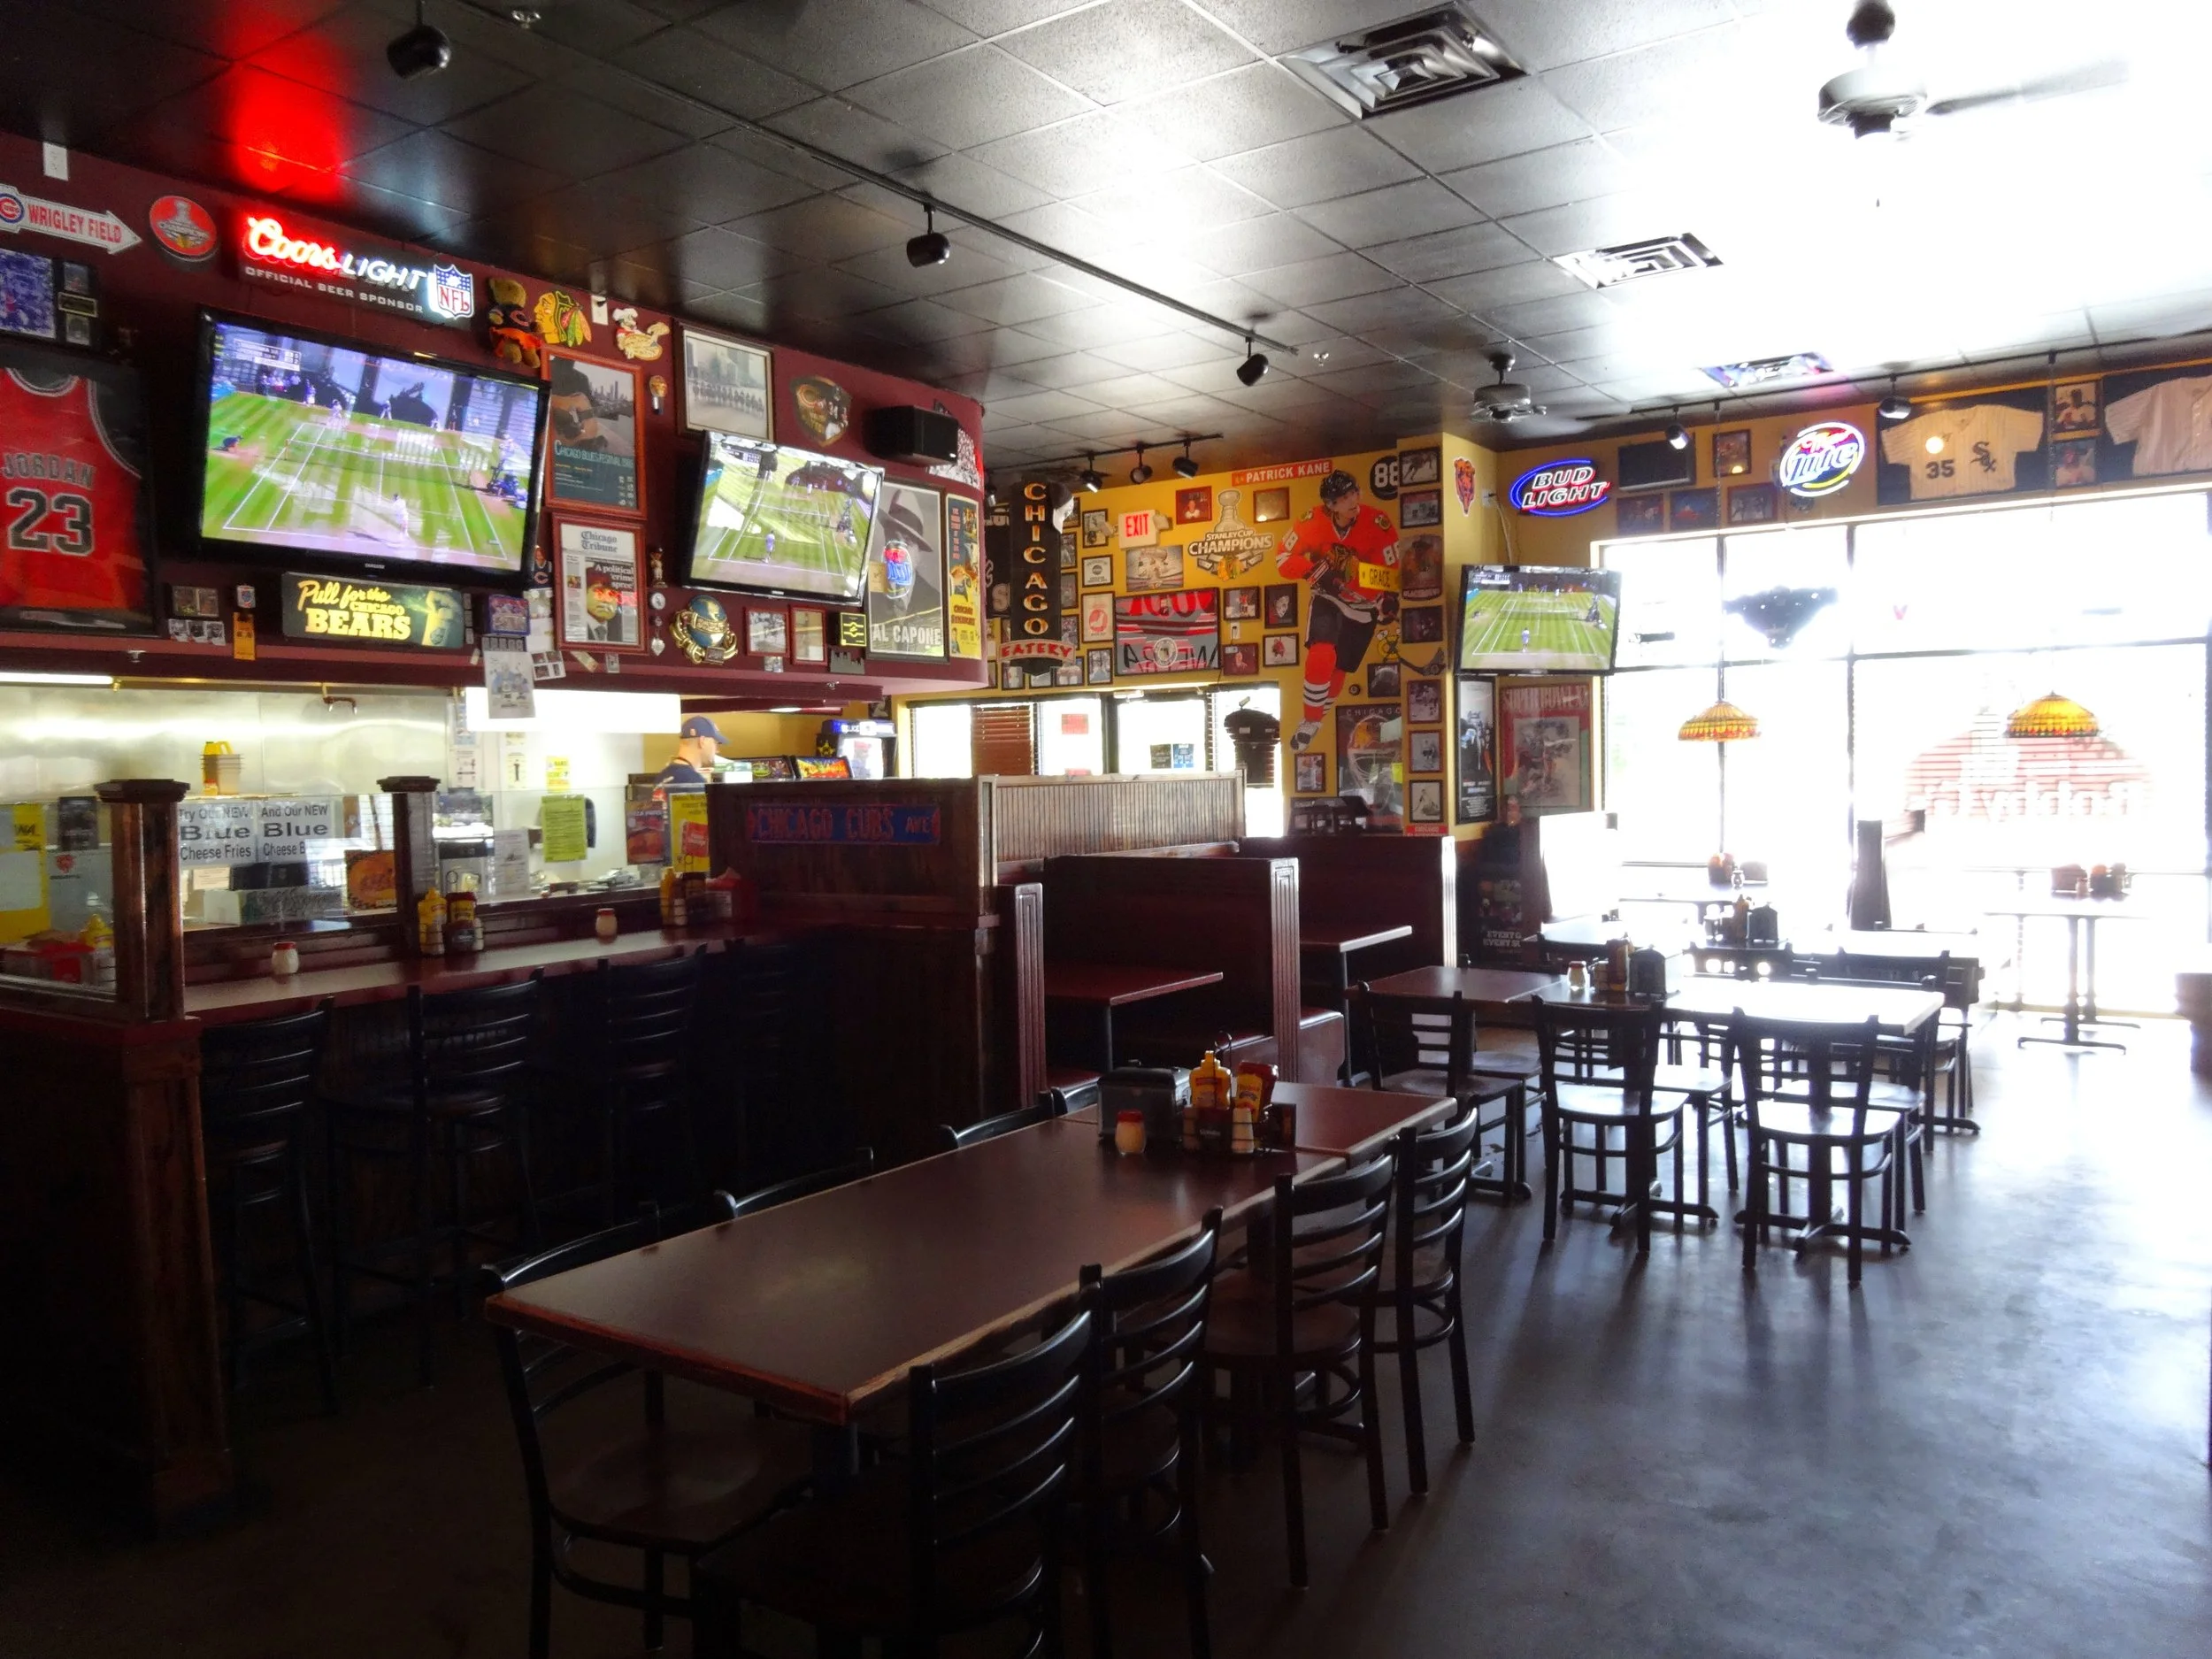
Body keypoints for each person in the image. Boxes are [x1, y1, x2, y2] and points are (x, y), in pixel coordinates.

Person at [1274, 469, 1399, 752]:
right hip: (1328, 598)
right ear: (1330, 505)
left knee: (1340, 668)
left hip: (1363, 606)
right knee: (1322, 653)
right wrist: (1313, 570)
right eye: (1344, 497)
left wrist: (1388, 597)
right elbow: (1282, 558)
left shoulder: (1378, 523)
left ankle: (1316, 720)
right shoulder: (1311, 521)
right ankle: (1309, 720)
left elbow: (1392, 570)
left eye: (1354, 492)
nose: (1354, 500)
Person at [655, 715, 723, 791]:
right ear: (702, 742)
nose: (717, 750)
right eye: (715, 743)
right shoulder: (693, 782)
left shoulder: (662, 776)